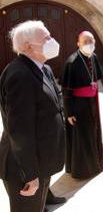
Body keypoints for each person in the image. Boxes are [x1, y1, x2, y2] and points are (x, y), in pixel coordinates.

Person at [0, 20, 65, 212]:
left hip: (41, 160)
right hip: (24, 168)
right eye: (46, 38)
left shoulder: (43, 68)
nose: (52, 40)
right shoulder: (20, 74)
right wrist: (30, 174)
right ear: (28, 46)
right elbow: (20, 131)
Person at [62, 31, 103, 179]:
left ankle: (96, 165)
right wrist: (69, 113)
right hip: (78, 106)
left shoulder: (94, 57)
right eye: (85, 41)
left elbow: (97, 78)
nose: (89, 44)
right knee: (82, 137)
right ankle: (82, 170)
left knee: (94, 133)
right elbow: (66, 90)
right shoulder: (71, 62)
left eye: (91, 40)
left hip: (92, 103)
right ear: (78, 43)